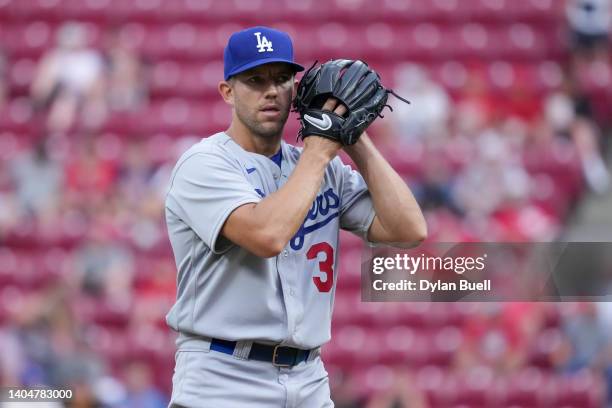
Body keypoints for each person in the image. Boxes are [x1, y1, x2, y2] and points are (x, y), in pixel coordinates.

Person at [164, 26, 427, 408]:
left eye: (282, 79)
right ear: (228, 91)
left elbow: (409, 229)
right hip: (222, 377)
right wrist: (320, 152)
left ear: (296, 88)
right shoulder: (204, 164)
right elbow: (267, 235)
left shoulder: (321, 168)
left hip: (308, 377)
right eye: (255, 80)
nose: (271, 91)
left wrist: (355, 137)